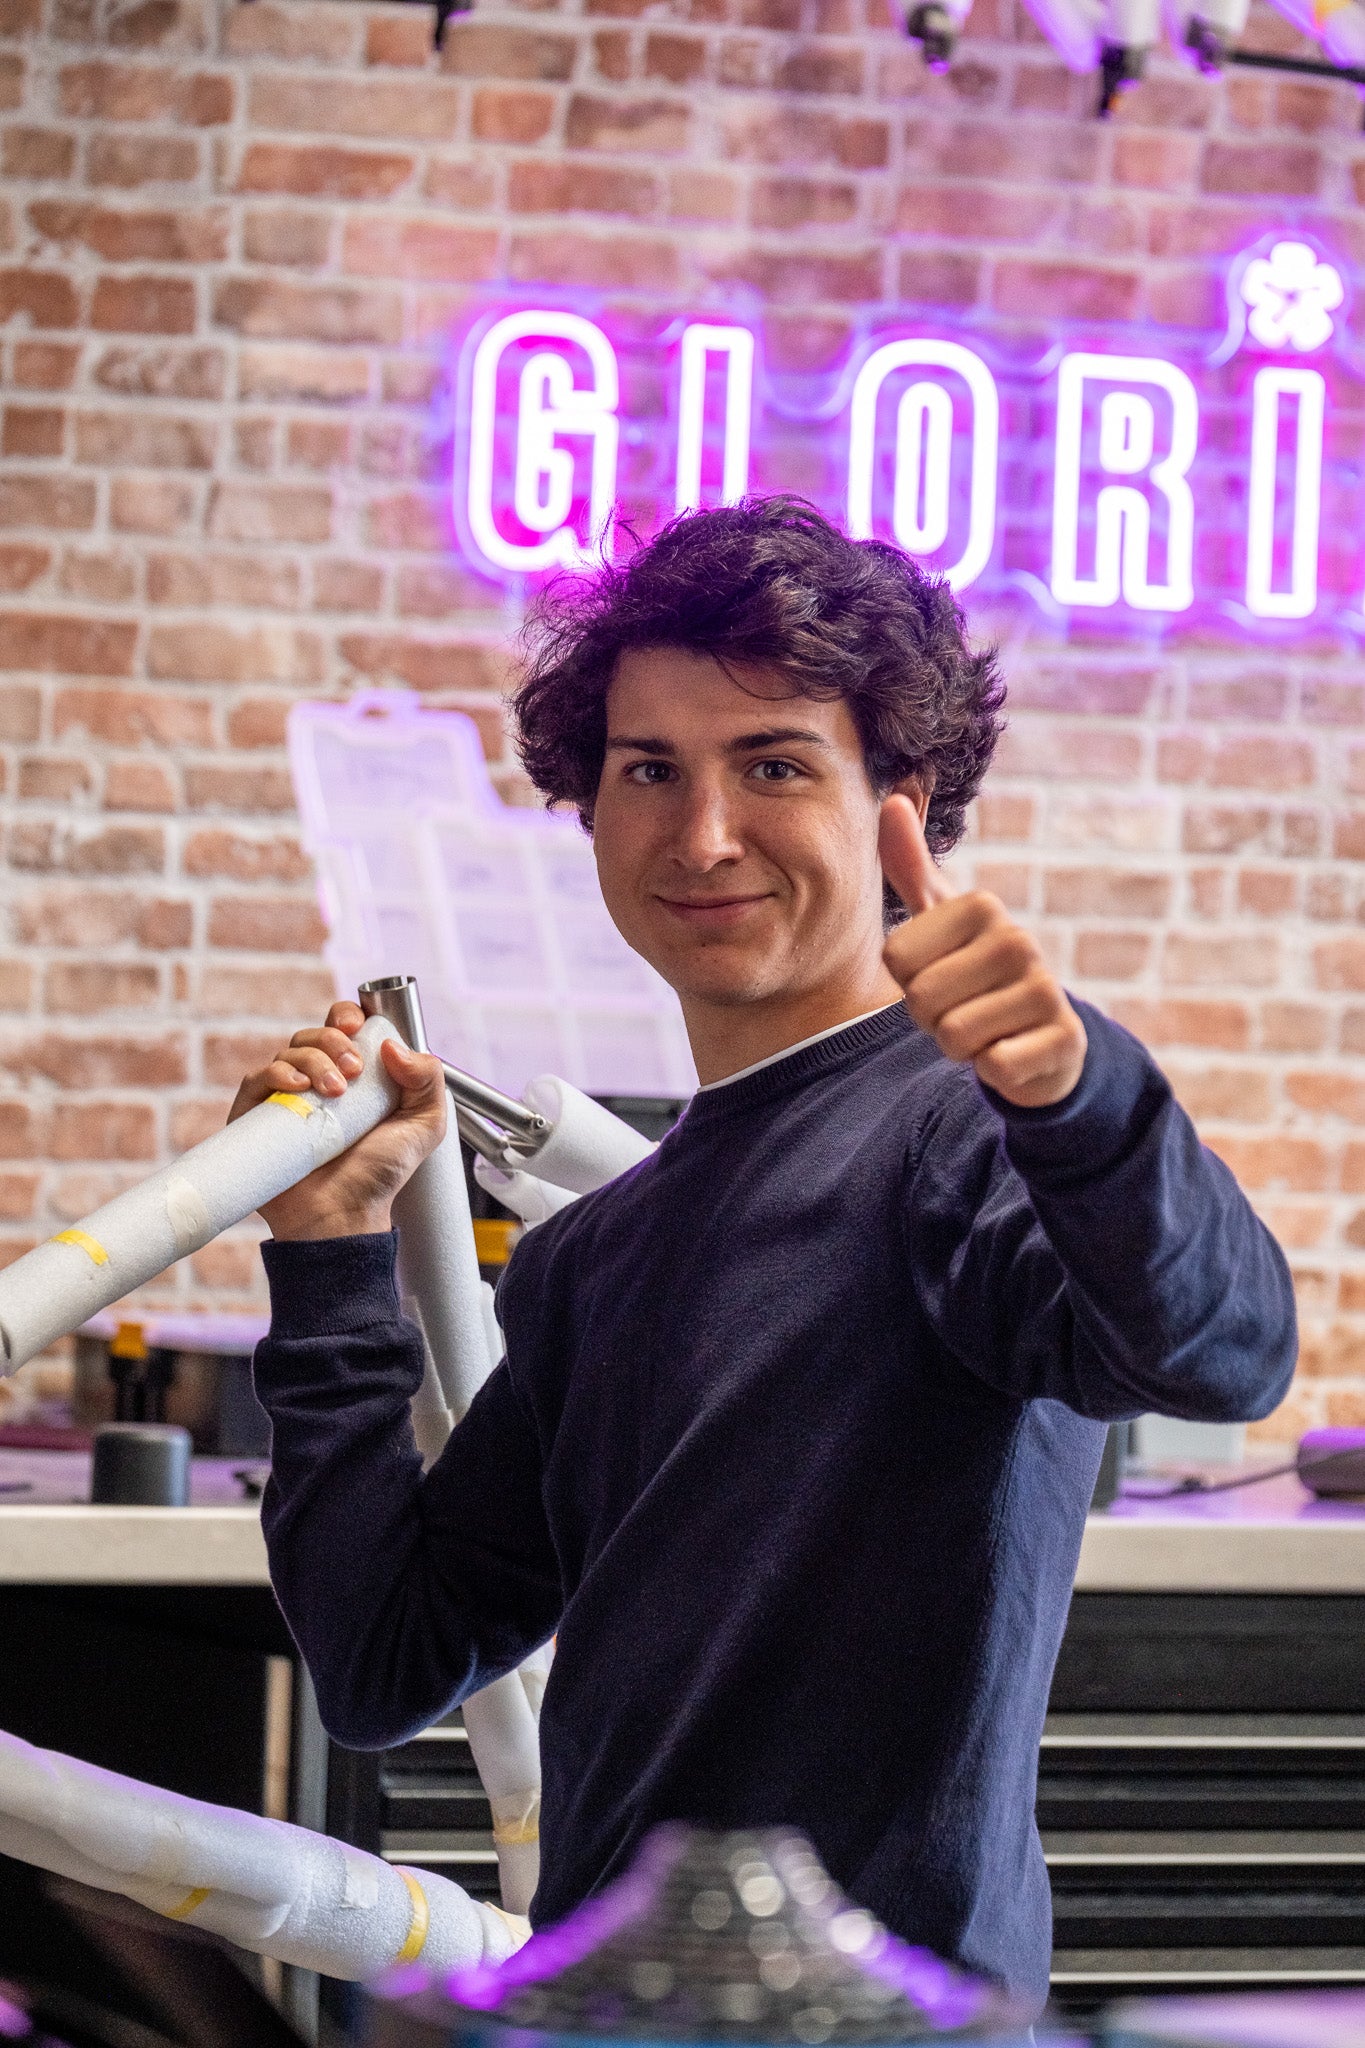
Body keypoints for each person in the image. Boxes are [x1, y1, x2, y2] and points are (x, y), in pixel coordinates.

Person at [237, 498, 1296, 2013]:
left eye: (775, 766)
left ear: (901, 808)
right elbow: (385, 1661)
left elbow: (1219, 1352)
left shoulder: (960, 1143)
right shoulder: (596, 1254)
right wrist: (333, 1260)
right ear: (586, 809)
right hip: (615, 2013)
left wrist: (1077, 1093)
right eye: (648, 770)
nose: (703, 833)